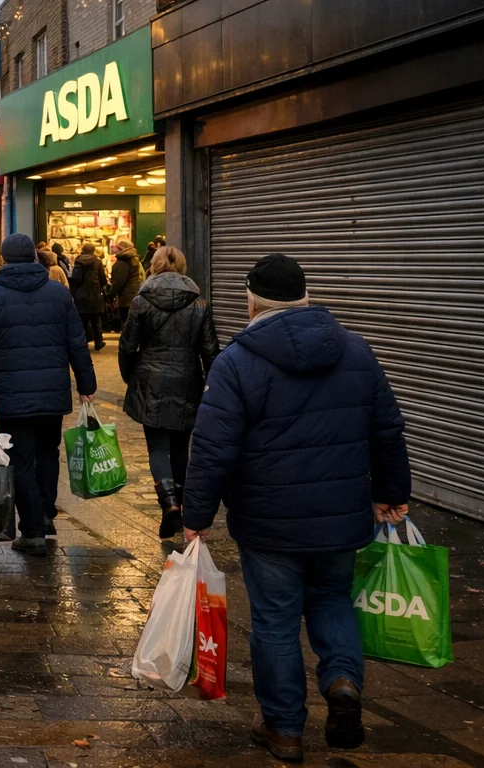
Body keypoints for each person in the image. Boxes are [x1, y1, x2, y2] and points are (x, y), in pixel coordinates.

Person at [183, 254, 410, 763]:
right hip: (342, 513)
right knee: (332, 599)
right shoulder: (355, 351)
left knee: (276, 621)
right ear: (306, 296)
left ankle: (284, 729)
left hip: (269, 520)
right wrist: (392, 492)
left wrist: (195, 515)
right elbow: (387, 429)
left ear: (252, 300)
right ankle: (343, 680)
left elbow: (213, 448)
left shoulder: (237, 362)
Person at [0, 234, 97, 556]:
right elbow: (77, 342)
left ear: (4, 259)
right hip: (52, 393)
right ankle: (45, 513)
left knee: (21, 461)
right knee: (48, 453)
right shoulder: (58, 293)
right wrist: (87, 386)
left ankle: (34, 531)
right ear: (35, 257)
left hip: (10, 396)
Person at [116, 246, 219, 539]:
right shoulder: (199, 303)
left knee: (158, 447)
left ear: (154, 266)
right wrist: (211, 385)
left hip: (150, 380)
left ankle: (170, 506)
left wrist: (131, 376)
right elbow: (210, 350)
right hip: (188, 380)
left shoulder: (141, 301)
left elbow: (127, 345)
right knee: (179, 449)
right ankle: (178, 507)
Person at [68, 243, 109, 350]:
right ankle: (98, 342)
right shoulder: (98, 262)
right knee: (96, 321)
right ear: (93, 250)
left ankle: (82, 342)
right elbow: (103, 279)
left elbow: (75, 280)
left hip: (81, 295)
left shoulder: (78, 261)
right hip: (94, 294)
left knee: (82, 321)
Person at [106, 238, 145, 332]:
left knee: (127, 326)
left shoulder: (122, 262)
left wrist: (110, 296)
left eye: (117, 248)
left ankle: (127, 346)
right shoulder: (135, 260)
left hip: (126, 299)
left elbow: (118, 283)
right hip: (136, 297)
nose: (115, 250)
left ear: (122, 249)